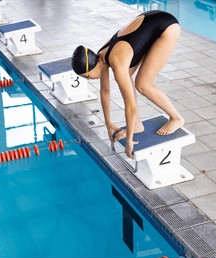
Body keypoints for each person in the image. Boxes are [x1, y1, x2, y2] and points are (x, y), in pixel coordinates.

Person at [71, 10, 184, 158]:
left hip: (166, 27)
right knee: (128, 76)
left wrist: (130, 140)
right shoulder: (101, 58)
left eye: (86, 76)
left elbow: (130, 106)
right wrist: (109, 124)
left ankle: (176, 118)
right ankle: (136, 125)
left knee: (143, 84)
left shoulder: (116, 60)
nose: (89, 79)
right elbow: (105, 92)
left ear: (90, 67)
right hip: (150, 23)